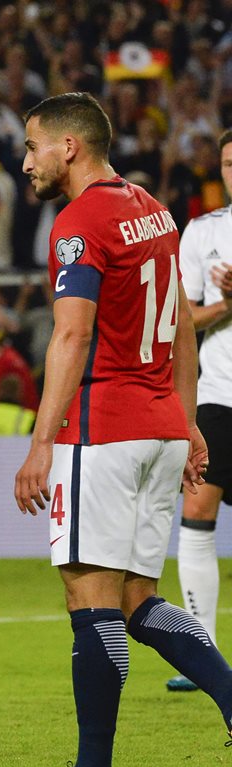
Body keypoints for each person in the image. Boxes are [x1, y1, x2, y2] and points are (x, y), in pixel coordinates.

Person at [14, 92, 232, 767]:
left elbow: (72, 336)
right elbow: (182, 329)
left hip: (101, 427)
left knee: (90, 597)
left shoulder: (79, 224)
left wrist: (41, 442)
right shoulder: (154, 209)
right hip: (162, 425)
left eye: (33, 146)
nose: (27, 162)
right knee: (140, 599)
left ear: (69, 147)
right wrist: (189, 418)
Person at [173, 128, 232, 692]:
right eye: (228, 164)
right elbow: (185, 317)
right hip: (216, 395)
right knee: (196, 515)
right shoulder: (202, 232)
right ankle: (203, 654)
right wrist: (228, 302)